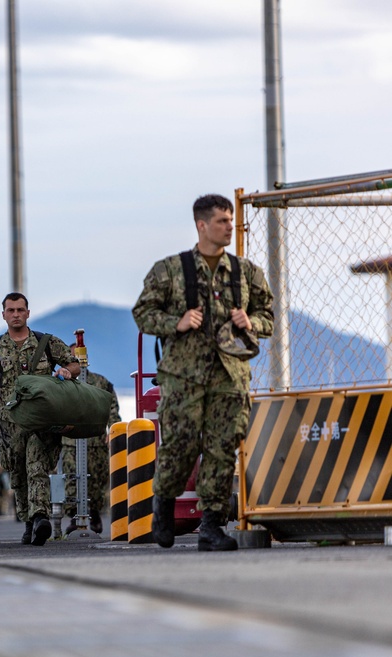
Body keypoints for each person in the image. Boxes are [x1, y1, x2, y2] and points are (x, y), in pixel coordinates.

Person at [133, 193, 274, 552]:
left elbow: (268, 317)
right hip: (183, 378)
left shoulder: (246, 273)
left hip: (230, 377)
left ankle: (211, 526)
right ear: (201, 225)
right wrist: (175, 322)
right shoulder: (170, 270)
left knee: (221, 449)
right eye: (222, 221)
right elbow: (143, 313)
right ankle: (163, 505)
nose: (230, 227)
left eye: (230, 220)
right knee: (180, 447)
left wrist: (250, 321)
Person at [0, 292, 77, 546]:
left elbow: (75, 364)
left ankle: (40, 516)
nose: (16, 314)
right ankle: (29, 521)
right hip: (10, 425)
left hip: (41, 421)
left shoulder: (45, 342)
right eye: (11, 310)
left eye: (21, 310)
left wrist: (65, 370)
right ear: (4, 315)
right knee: (18, 472)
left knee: (36, 464)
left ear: (28, 313)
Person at [60, 361, 121, 534]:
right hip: (71, 441)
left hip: (96, 441)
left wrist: (114, 430)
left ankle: (94, 514)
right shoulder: (62, 384)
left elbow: (112, 409)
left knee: (96, 479)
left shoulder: (101, 382)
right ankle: (75, 516)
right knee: (71, 477)